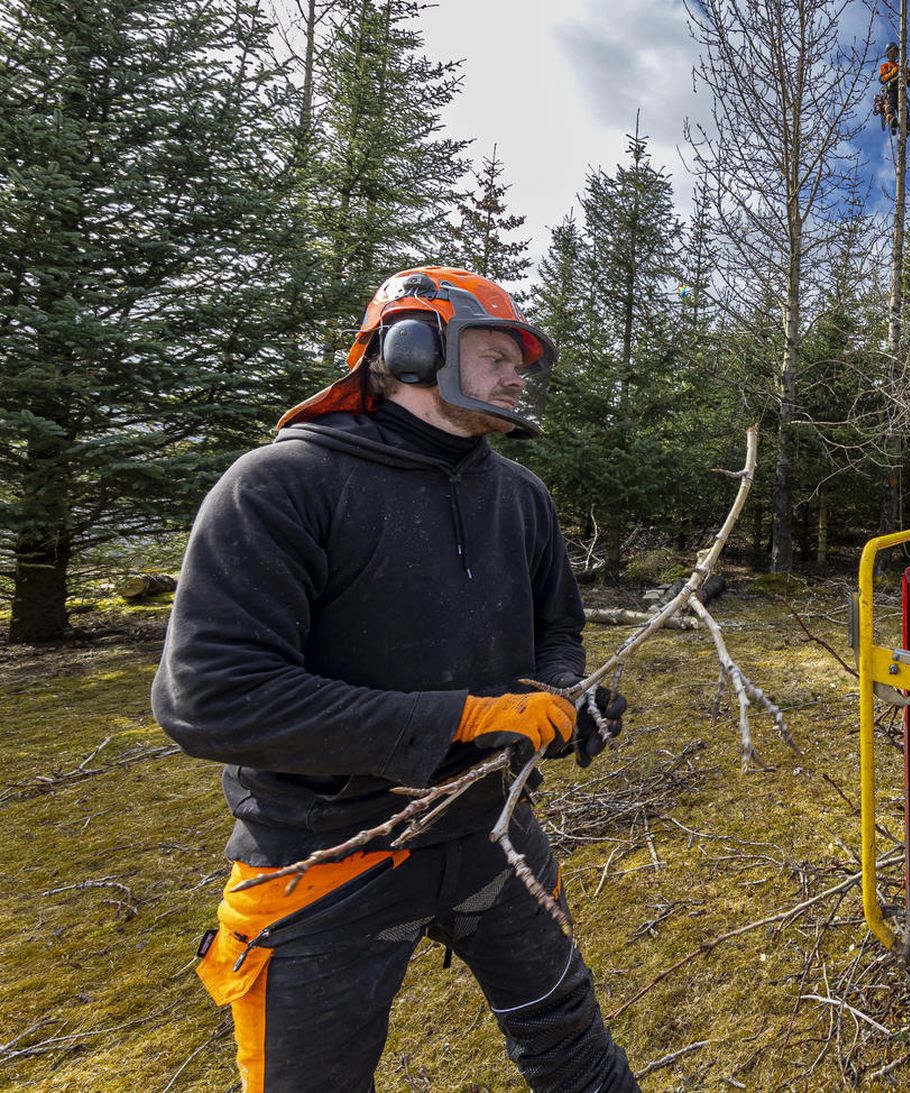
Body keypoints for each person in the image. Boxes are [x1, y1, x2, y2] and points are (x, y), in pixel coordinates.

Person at [152, 267, 639, 1092]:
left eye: (523, 360)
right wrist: (463, 718)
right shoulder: (283, 485)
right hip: (326, 851)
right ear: (412, 350)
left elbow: (558, 629)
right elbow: (210, 694)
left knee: (572, 1043)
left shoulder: (520, 497)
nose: (518, 375)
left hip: (492, 827)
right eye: (497, 354)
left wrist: (563, 697)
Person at [878, 42, 910, 135]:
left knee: (904, 107)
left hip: (901, 90)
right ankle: (891, 118)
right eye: (891, 52)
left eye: (895, 52)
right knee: (891, 104)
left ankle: (906, 123)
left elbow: (909, 84)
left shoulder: (900, 66)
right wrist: (891, 73)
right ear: (888, 54)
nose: (893, 54)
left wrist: (909, 77)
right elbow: (881, 79)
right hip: (890, 88)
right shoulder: (885, 66)